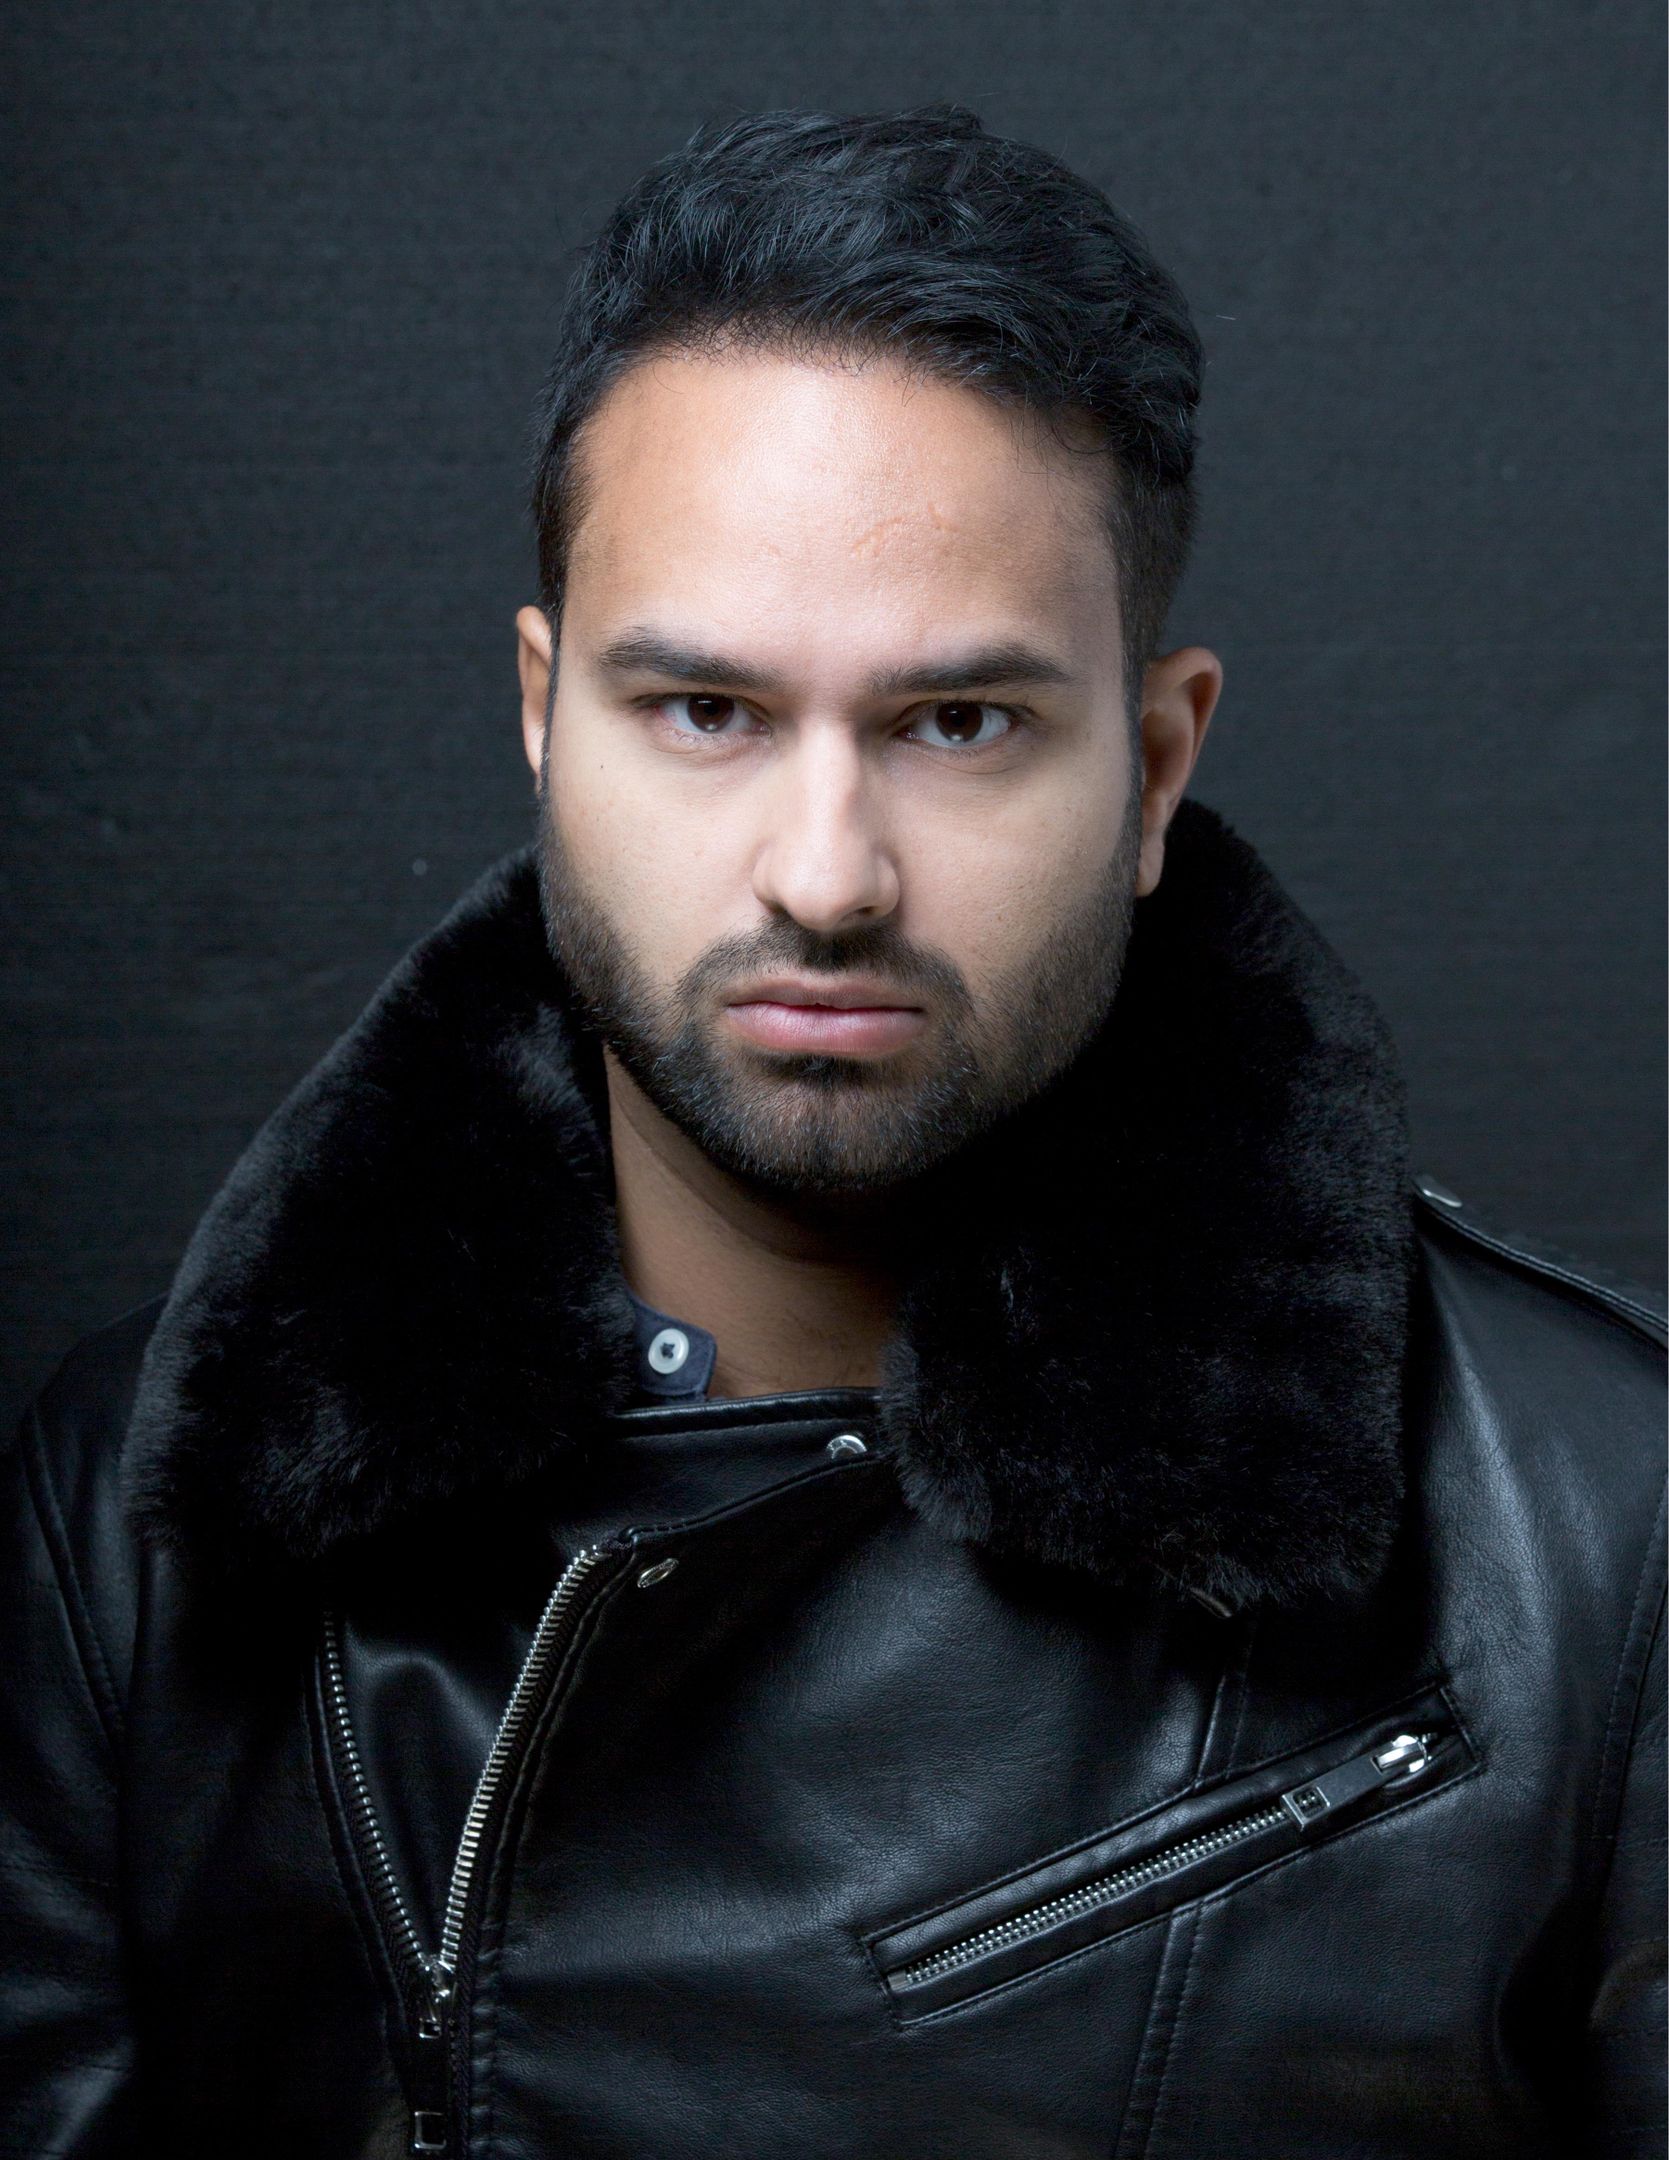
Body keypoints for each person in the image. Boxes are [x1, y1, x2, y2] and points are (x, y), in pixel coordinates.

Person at [3, 103, 1662, 2160]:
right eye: (703, 712)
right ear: (540, 718)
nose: (824, 874)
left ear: (1153, 767)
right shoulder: (129, 1518)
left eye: (955, 724)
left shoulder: (1600, 1543)